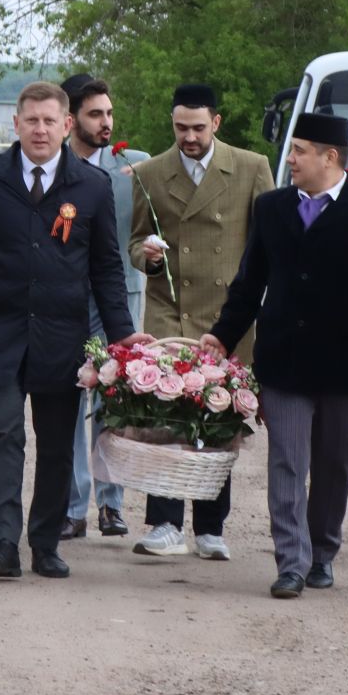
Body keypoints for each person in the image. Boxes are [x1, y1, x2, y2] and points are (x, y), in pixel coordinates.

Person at [0, 81, 149, 581]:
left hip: (63, 340)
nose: (40, 129)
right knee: (1, 432)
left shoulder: (91, 185)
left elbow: (107, 268)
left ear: (67, 125)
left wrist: (122, 335)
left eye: (50, 121)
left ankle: (46, 543)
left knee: (58, 443)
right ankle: (1, 543)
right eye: (31, 120)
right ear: (16, 125)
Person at [205, 111, 348, 599]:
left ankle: (322, 551)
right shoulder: (272, 207)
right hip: (282, 358)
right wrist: (224, 333)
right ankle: (291, 562)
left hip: (343, 360)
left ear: (330, 157)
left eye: (299, 150)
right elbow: (249, 280)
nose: (291, 159)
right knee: (287, 460)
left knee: (334, 463)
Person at [126, 83, 274, 562]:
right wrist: (146, 256)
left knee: (218, 417)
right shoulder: (148, 173)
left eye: (196, 127)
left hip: (229, 312)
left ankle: (211, 526)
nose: (188, 136)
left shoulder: (252, 167)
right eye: (179, 127)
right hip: (171, 308)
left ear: (217, 121)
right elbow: (133, 242)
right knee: (164, 417)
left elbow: (269, 244)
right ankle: (164, 523)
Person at [60, 73, 147, 540]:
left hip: (122, 299)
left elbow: (151, 230)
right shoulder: (52, 167)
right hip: (69, 300)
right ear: (72, 119)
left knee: (116, 403)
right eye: (96, 114)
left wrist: (152, 252)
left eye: (109, 113)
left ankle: (112, 504)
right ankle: (73, 507)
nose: (106, 122)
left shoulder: (135, 166)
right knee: (73, 402)